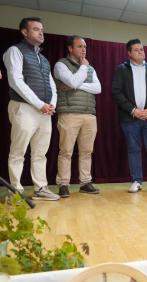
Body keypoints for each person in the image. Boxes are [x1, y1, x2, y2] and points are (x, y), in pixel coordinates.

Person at [2, 17, 60, 200]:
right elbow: (16, 81)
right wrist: (39, 104)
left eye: (42, 29)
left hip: (44, 111)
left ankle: (41, 188)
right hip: (24, 108)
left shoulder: (43, 59)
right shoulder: (14, 51)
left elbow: (52, 85)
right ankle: (15, 191)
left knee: (40, 153)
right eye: (36, 29)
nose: (41, 32)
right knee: (18, 151)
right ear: (25, 32)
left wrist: (52, 105)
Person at [112, 39, 147, 194]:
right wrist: (133, 110)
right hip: (131, 117)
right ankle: (136, 181)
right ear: (129, 53)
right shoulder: (122, 69)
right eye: (136, 50)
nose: (141, 52)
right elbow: (116, 92)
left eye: (142, 49)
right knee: (134, 149)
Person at [53, 35, 102, 198]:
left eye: (85, 47)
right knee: (66, 151)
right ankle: (63, 184)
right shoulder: (61, 65)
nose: (84, 49)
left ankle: (85, 182)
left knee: (87, 151)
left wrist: (76, 85)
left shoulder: (90, 68)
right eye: (80, 46)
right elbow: (72, 81)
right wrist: (82, 69)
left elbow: (98, 88)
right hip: (69, 113)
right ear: (70, 48)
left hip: (89, 114)